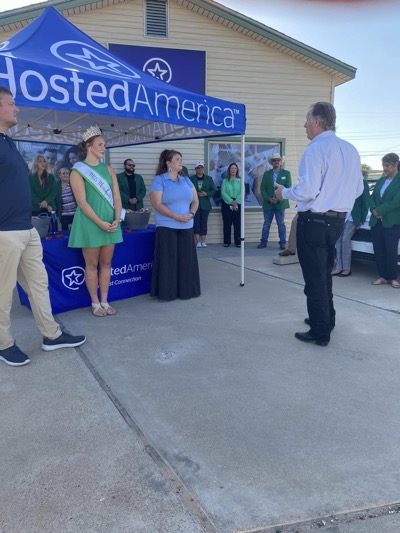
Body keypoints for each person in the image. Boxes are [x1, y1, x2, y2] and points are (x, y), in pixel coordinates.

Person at [0, 85, 85, 367]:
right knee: (3, 293)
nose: (17, 109)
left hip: (26, 229)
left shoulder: (8, 142)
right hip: (5, 232)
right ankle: (4, 344)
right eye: (12, 104)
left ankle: (51, 335)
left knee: (39, 285)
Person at [275, 102, 363, 347]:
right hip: (336, 223)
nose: (304, 125)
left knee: (315, 279)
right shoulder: (350, 150)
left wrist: (284, 192)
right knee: (324, 274)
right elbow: (358, 190)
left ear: (316, 121)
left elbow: (308, 190)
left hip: (314, 222)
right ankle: (326, 318)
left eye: (306, 120)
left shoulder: (315, 149)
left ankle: (320, 331)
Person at [69, 126, 123, 317]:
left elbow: (116, 196)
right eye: (100, 145)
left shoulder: (108, 169)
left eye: (105, 145)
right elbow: (82, 202)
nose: (103, 148)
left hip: (110, 223)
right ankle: (94, 303)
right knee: (91, 265)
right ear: (89, 147)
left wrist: (117, 218)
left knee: (106, 263)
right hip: (91, 223)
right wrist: (100, 222)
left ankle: (105, 300)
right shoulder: (77, 171)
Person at [150, 149, 200, 301]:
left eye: (181, 159)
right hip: (167, 225)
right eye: (177, 159)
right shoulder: (160, 180)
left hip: (186, 225)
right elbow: (156, 204)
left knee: (186, 260)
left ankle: (186, 291)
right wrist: (176, 216)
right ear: (168, 163)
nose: (181, 161)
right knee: (168, 261)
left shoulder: (186, 180)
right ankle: (167, 293)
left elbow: (196, 200)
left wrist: (191, 214)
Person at [369, 152, 400, 288]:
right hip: (376, 221)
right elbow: (372, 198)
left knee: (391, 250)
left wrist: (380, 211)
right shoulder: (381, 181)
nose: (384, 168)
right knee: (379, 249)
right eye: (383, 165)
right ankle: (382, 276)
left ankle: (392, 277)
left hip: (391, 221)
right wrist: (374, 210)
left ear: (395, 164)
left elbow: (396, 201)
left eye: (387, 165)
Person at [331, 178, 370, 277]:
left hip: (353, 217)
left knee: (345, 239)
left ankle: (347, 268)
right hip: (342, 216)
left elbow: (366, 203)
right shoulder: (344, 181)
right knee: (338, 239)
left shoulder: (363, 183)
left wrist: (362, 219)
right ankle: (339, 267)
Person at [257, 153, 291, 249]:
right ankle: (263, 242)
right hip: (268, 203)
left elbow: (288, 189)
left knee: (281, 224)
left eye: (278, 160)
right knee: (266, 223)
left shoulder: (286, 174)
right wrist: (268, 198)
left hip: (280, 204)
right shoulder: (267, 174)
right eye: (274, 160)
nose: (276, 162)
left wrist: (278, 198)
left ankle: (282, 243)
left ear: (280, 162)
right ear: (271, 162)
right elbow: (262, 189)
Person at [189, 161, 215, 247]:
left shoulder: (209, 179)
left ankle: (203, 241)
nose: (200, 169)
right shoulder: (191, 179)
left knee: (204, 222)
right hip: (195, 205)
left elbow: (213, 190)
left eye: (201, 167)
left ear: (203, 168)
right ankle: (197, 241)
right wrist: (196, 193)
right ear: (195, 169)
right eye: (198, 168)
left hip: (205, 204)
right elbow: (187, 190)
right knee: (196, 223)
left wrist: (206, 194)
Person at [221, 162, 241, 247]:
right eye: (232, 168)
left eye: (235, 168)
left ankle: (238, 242)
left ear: (237, 170)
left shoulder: (240, 180)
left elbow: (242, 192)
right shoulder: (225, 181)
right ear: (229, 170)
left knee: (237, 223)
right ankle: (227, 241)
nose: (233, 170)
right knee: (227, 223)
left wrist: (236, 201)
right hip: (227, 203)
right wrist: (230, 201)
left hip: (237, 203)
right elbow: (223, 192)